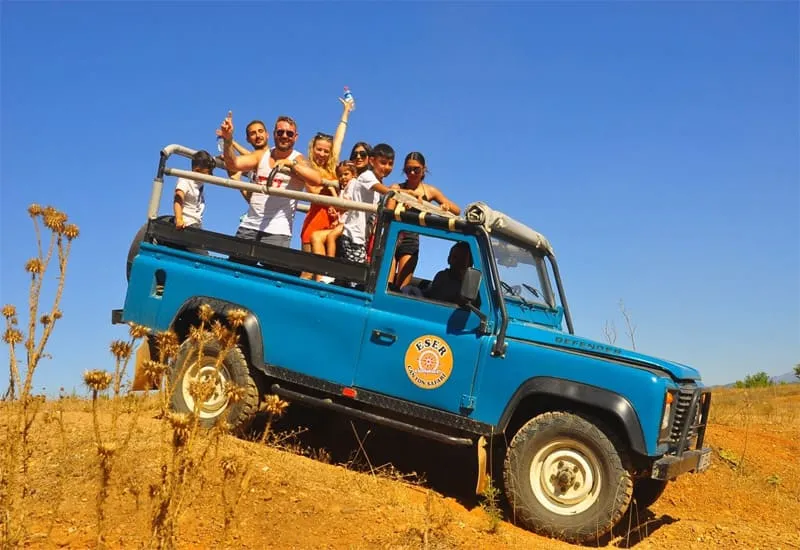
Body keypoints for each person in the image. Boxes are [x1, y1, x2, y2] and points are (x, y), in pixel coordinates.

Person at [218, 111, 324, 255]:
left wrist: (291, 165)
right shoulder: (261, 155)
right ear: (274, 134)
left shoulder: (298, 159)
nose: (284, 136)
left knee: (271, 270)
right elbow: (233, 164)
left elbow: (317, 180)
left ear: (295, 137)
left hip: (278, 232)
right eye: (280, 132)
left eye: (289, 133)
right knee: (236, 268)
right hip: (249, 226)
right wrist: (228, 139)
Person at [299, 97, 354, 278]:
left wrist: (346, 112)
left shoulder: (332, 168)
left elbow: (339, 139)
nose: (322, 154)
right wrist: (330, 189)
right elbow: (314, 192)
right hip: (315, 221)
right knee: (309, 272)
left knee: (325, 275)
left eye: (326, 151)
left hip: (333, 223)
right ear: (312, 149)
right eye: (319, 149)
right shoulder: (308, 168)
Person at [388, 152, 461, 289]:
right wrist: (403, 200)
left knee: (402, 289)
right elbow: (388, 212)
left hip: (411, 240)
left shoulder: (430, 191)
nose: (412, 173)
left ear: (424, 169)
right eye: (408, 170)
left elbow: (456, 210)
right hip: (393, 237)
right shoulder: (397, 188)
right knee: (386, 284)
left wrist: (444, 207)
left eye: (416, 169)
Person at [338, 143, 395, 264]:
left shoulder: (375, 181)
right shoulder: (367, 176)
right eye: (383, 163)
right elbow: (389, 192)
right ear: (372, 161)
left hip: (361, 237)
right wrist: (408, 195)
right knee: (357, 273)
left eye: (390, 164)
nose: (387, 167)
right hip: (353, 235)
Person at [309, 160, 358, 276]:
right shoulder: (344, 189)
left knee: (331, 236)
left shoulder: (353, 185)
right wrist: (336, 215)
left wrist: (332, 192)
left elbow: (344, 205)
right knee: (315, 236)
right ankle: (321, 274)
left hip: (349, 224)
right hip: (342, 222)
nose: (343, 178)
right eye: (340, 175)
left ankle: (329, 268)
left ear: (353, 175)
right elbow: (341, 209)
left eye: (346, 174)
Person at [173, 150, 214, 230]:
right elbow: (178, 198)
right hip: (187, 223)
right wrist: (179, 219)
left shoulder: (199, 181)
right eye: (208, 172)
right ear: (197, 170)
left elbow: (210, 161)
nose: (210, 175)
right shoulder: (186, 179)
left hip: (196, 223)